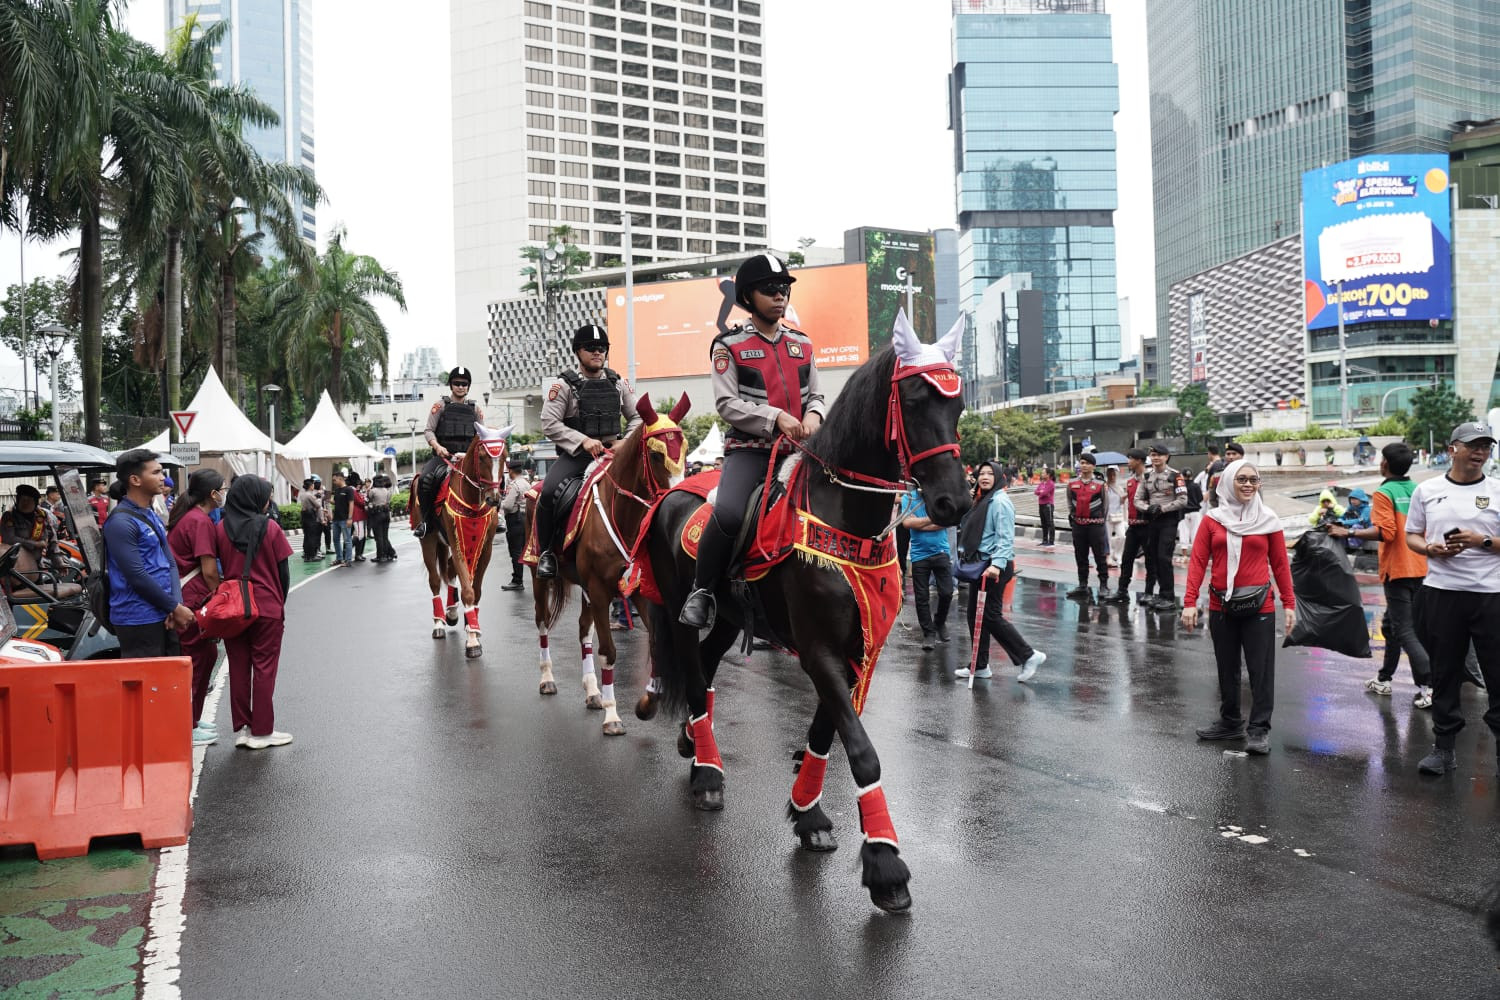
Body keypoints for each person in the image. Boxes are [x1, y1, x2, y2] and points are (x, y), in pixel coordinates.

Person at [680, 253, 825, 628]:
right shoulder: (729, 345)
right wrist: (775, 417)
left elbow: (818, 397)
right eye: (770, 290)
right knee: (727, 514)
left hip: (803, 451)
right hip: (750, 453)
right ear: (747, 295)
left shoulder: (803, 344)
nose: (780, 296)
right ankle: (703, 590)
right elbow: (727, 403)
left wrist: (813, 417)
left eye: (784, 289)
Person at [1404, 422, 1500, 777]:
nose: (1479, 452)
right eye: (1473, 445)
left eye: (1486, 447)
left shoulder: (1497, 490)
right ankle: (1443, 749)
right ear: (1452, 448)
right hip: (1442, 593)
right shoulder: (1427, 490)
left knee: (1497, 674)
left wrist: (1481, 541)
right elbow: (1411, 535)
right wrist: (1430, 549)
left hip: (1491, 595)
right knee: (1444, 673)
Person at [1181, 460, 1296, 755]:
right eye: (1242, 479)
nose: (1247, 485)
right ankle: (1230, 721)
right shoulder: (1213, 520)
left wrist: (1289, 603)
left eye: (1253, 480)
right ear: (1229, 482)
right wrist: (1190, 602)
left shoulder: (1268, 519)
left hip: (1260, 607)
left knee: (1261, 670)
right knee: (1226, 667)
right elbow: (1197, 562)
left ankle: (1259, 730)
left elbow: (1280, 564)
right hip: (1221, 604)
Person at [1330, 442, 1432, 707]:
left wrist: (1348, 532)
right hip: (1422, 568)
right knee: (1390, 627)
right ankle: (1384, 679)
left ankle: (1429, 685)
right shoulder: (1417, 489)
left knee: (1406, 631)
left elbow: (1386, 532)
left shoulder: (1384, 492)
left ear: (1384, 463)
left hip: (1398, 569)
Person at [535, 324, 641, 579]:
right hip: (577, 457)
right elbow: (549, 423)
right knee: (548, 493)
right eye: (591, 348)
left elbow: (637, 418)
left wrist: (625, 441)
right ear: (577, 352)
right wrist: (582, 440)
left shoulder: (619, 384)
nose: (598, 352)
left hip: (613, 456)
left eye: (602, 348)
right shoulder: (562, 386)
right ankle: (547, 552)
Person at [213, 475, 295, 750]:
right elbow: (283, 573)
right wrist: (279, 602)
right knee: (264, 669)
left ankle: (244, 729)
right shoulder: (270, 527)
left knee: (238, 668)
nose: (267, 501)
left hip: (233, 608)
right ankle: (262, 732)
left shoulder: (221, 529)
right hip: (266, 607)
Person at [955, 462, 1045, 682]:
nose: (984, 477)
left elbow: (1005, 538)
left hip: (995, 566)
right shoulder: (982, 500)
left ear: (999, 476)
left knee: (990, 615)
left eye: (989, 473)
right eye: (981, 473)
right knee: (974, 616)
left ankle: (1029, 655)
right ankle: (980, 665)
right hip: (980, 566)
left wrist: (996, 565)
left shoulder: (1000, 501)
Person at [101, 450, 195, 658]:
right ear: (135, 480)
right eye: (156, 473)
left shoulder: (150, 513)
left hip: (163, 610)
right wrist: (173, 606)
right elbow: (136, 576)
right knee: (147, 686)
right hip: (137, 618)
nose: (163, 478)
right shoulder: (121, 522)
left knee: (170, 681)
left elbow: (169, 562)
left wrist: (175, 604)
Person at [166, 469, 225, 746]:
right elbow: (209, 568)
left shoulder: (188, 517)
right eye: (221, 489)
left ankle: (193, 717)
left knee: (205, 656)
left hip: (187, 595)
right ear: (213, 494)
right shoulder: (200, 521)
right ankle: (186, 726)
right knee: (197, 659)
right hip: (194, 598)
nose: (224, 493)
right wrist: (219, 595)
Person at [414, 367, 487, 539]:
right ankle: (425, 521)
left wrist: (471, 453)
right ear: (451, 385)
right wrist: (438, 447)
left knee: (493, 479)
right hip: (444, 457)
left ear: (468, 386)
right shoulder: (439, 406)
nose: (460, 387)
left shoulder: (475, 409)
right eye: (457, 383)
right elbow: (429, 431)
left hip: (468, 458)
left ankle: (495, 516)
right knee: (425, 479)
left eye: (464, 384)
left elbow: (481, 434)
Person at [1135, 443, 1189, 611]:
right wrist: (1147, 508)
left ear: (1166, 457)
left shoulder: (1175, 476)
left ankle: (1168, 596)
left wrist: (1162, 508)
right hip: (1152, 521)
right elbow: (1137, 499)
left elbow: (1183, 500)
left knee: (1164, 557)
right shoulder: (1146, 476)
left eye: (1159, 454)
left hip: (1168, 521)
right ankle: (1160, 594)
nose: (1155, 457)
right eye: (1153, 454)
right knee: (1153, 558)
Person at [901, 484, 954, 650]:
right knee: (921, 597)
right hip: (919, 555)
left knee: (947, 592)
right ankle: (928, 633)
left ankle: (939, 622)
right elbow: (907, 522)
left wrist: (920, 523)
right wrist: (933, 519)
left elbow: (946, 522)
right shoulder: (908, 498)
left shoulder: (940, 497)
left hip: (941, 551)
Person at [1103, 449, 1158, 605]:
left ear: (1139, 460)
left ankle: (1148, 593)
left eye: (1130, 459)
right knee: (1127, 559)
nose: (1128, 462)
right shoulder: (1130, 481)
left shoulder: (1151, 479)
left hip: (1148, 525)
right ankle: (1122, 591)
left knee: (1150, 561)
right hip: (1133, 526)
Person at [1065, 452, 1109, 599]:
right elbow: (1069, 502)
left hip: (1096, 525)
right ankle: (1083, 585)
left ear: (1093, 466)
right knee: (1080, 556)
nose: (1084, 466)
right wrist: (1073, 516)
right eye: (1082, 463)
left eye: (1087, 463)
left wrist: (1101, 520)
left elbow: (1105, 505)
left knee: (1100, 556)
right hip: (1078, 525)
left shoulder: (1100, 484)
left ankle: (1103, 585)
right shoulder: (1072, 484)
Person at [2, 484, 61, 574]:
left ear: (35, 502)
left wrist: (58, 561)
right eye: (23, 500)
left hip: (38, 564)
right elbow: (9, 539)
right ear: (17, 500)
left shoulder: (42, 515)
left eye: (29, 500)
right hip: (16, 568)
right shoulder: (9, 516)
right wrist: (35, 544)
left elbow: (52, 538)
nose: (25, 503)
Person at [499, 458, 531, 591]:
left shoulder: (514, 485)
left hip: (515, 520)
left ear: (511, 471)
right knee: (525, 550)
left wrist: (496, 503)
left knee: (516, 552)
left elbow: (507, 505)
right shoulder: (526, 483)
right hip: (526, 519)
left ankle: (517, 580)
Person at [366, 474, 397, 563]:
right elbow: (387, 502)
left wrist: (369, 489)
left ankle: (381, 556)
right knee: (384, 536)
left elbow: (368, 499)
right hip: (386, 514)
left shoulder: (373, 491)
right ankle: (389, 553)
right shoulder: (386, 490)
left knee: (378, 537)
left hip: (377, 515)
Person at [328, 471, 354, 567]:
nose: (334, 482)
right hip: (336, 519)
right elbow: (336, 502)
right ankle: (339, 558)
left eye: (335, 480)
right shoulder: (337, 490)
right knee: (335, 539)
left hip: (345, 519)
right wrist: (330, 501)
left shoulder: (349, 489)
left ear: (340, 478)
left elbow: (351, 504)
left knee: (347, 540)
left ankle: (348, 560)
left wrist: (350, 518)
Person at [1104, 466, 1125, 567]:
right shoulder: (1104, 487)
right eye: (1110, 475)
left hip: (1118, 515)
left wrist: (1124, 497)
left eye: (1114, 475)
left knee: (1122, 536)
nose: (1112, 477)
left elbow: (1122, 502)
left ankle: (1117, 554)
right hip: (1107, 516)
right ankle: (1109, 555)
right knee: (1107, 538)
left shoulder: (1119, 487)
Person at [299, 478, 322, 561]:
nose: (314, 486)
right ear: (311, 486)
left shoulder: (303, 494)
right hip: (310, 516)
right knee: (312, 536)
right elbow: (318, 505)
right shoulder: (309, 495)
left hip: (304, 516)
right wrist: (319, 498)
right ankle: (312, 556)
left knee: (307, 536)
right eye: (313, 485)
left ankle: (306, 555)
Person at [348, 471, 368, 563]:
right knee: (360, 535)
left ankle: (356, 553)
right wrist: (364, 500)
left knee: (358, 535)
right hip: (358, 515)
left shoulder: (349, 489)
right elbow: (360, 502)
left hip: (353, 515)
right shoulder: (353, 490)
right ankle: (354, 553)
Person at [1034, 470, 1056, 546]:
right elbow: (1036, 492)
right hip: (1041, 504)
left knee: (1049, 522)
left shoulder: (1051, 484)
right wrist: (1041, 492)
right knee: (1043, 523)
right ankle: (1045, 540)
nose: (1042, 474)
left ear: (1048, 475)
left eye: (1043, 473)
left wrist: (1041, 492)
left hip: (1048, 505)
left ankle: (1051, 541)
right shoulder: (1042, 483)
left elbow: (1044, 493)